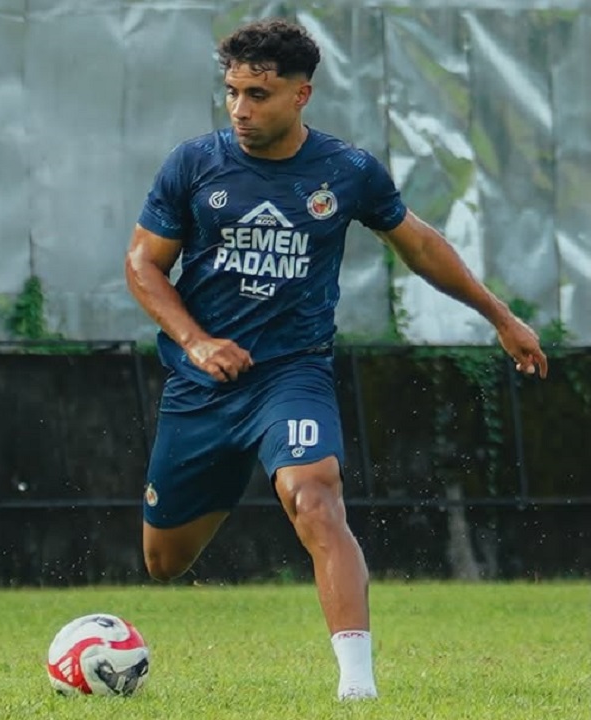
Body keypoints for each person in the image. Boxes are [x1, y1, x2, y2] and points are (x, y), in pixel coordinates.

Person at [124, 18, 547, 702]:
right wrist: (197, 341)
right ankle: (225, 468)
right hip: (201, 386)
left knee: (315, 496)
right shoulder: (194, 164)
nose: (239, 109)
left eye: (258, 94)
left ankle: (357, 688)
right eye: (231, 92)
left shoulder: (346, 172)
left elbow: (419, 244)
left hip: (292, 374)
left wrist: (501, 317)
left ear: (302, 95)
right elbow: (143, 264)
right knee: (163, 562)